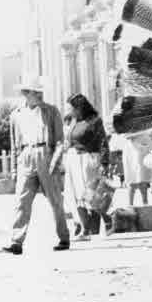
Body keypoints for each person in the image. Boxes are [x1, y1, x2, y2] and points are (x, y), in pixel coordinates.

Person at [3, 75, 70, 255]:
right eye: (35, 92)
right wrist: (14, 169)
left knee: (55, 199)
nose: (39, 95)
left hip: (45, 154)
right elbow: (13, 144)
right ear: (27, 93)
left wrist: (56, 161)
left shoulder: (51, 111)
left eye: (40, 92)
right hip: (25, 155)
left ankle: (63, 238)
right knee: (21, 201)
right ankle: (16, 241)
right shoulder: (16, 115)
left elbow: (59, 140)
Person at [61, 93, 112, 239]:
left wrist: (104, 163)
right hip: (73, 160)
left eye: (70, 107)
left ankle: (107, 218)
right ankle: (85, 230)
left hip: (89, 159)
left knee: (90, 195)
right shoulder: (73, 121)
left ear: (79, 107)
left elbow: (103, 142)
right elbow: (69, 140)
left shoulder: (94, 121)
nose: (68, 110)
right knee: (76, 196)